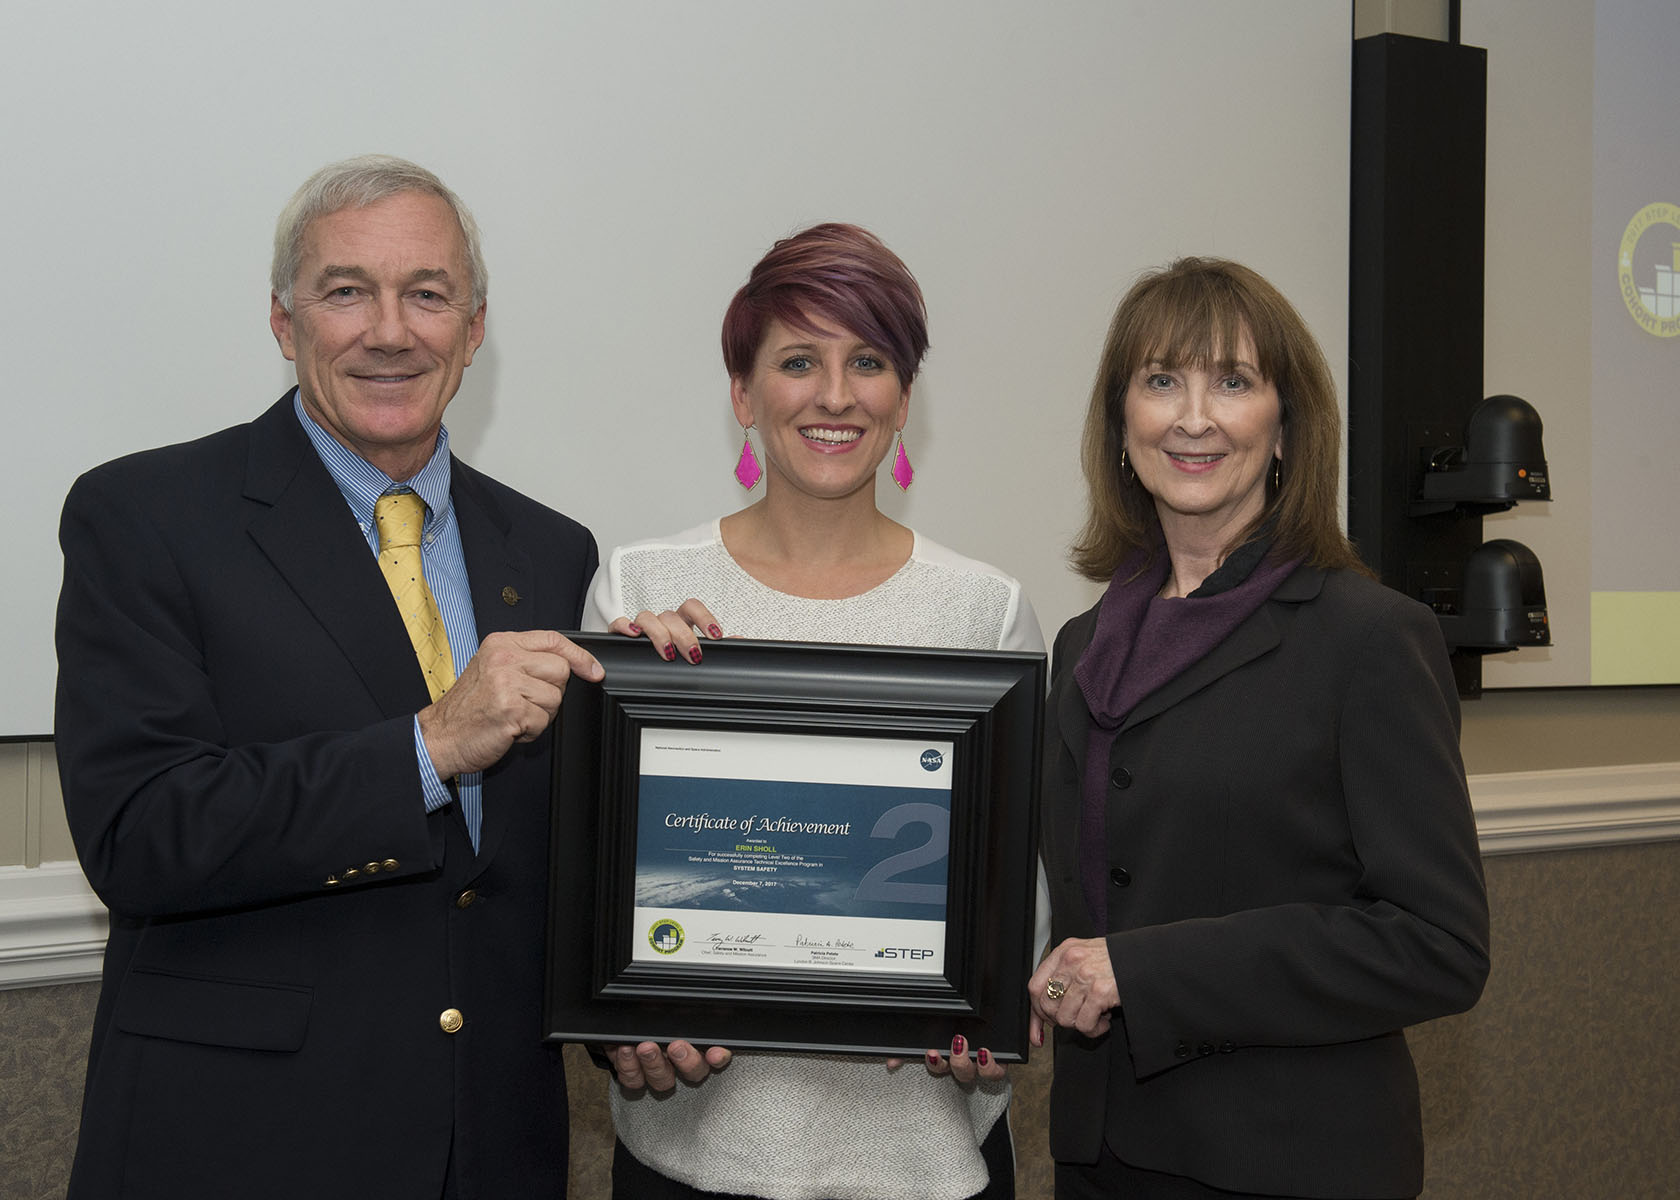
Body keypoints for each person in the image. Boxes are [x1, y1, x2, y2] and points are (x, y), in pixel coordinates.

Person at [54, 155, 601, 1198]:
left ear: (475, 328)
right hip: (243, 1149)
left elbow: (533, 876)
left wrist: (650, 1018)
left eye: (427, 294)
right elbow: (140, 836)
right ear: (283, 319)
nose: (389, 331)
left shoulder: (551, 550)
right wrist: (430, 746)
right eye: (346, 290)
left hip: (489, 1154)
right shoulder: (148, 518)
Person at [582, 222, 1044, 1200]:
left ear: (905, 397)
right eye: (799, 361)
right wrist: (643, 690)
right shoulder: (640, 587)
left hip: (924, 1169)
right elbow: (594, 885)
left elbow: (1016, 903)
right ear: (744, 394)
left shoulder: (986, 610)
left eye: (868, 362)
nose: (835, 395)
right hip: (689, 1161)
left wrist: (997, 1020)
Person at [1028, 257, 1490, 1200]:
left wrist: (1145, 972)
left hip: (1289, 1164)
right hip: (1101, 1156)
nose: (1193, 417)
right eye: (1161, 381)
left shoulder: (1368, 637)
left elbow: (1437, 945)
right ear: (1122, 423)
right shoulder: (1081, 644)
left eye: (1232, 382)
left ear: (1286, 427)